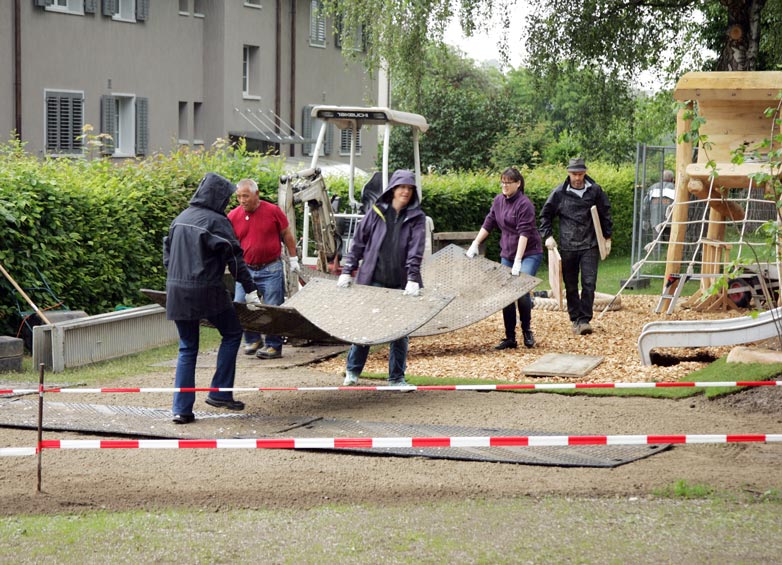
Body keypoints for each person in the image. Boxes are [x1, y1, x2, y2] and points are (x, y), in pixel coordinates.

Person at [163, 172, 263, 424]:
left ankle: (181, 410)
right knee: (231, 333)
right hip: (207, 289)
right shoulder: (216, 221)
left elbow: (166, 254)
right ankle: (220, 392)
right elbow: (235, 258)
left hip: (176, 291)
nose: (229, 202)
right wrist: (250, 289)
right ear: (217, 196)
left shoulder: (180, 219)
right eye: (227, 197)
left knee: (187, 348)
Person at [336, 169, 426, 387]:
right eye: (402, 187)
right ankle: (352, 371)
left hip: (402, 283)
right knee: (367, 326)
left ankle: (396, 378)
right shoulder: (376, 212)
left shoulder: (417, 217)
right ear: (393, 189)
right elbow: (358, 242)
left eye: (409, 188)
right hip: (373, 278)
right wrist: (348, 269)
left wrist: (413, 278)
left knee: (400, 332)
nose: (405, 191)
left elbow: (416, 249)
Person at [466, 167, 543, 349]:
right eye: (502, 181)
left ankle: (527, 330)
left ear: (518, 183)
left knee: (520, 290)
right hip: (507, 253)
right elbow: (489, 223)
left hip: (529, 253)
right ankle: (510, 337)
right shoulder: (498, 201)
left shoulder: (525, 205)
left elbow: (524, 234)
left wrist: (518, 261)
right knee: (506, 294)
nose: (504, 185)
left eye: (508, 182)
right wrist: (475, 244)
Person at [227, 178, 300, 360]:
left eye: (246, 196)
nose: (242, 200)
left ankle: (273, 346)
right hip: (246, 270)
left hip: (271, 268)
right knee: (241, 305)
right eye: (239, 197)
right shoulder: (233, 216)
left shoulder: (273, 211)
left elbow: (287, 235)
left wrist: (293, 259)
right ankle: (253, 339)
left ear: (256, 194)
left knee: (272, 308)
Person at [539, 157, 612, 336]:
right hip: (568, 245)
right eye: (574, 174)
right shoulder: (559, 193)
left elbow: (605, 213)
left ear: (585, 172)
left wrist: (607, 237)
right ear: (568, 173)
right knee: (570, 285)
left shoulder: (595, 190)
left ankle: (585, 319)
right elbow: (545, 216)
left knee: (589, 283)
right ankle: (575, 319)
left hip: (590, 244)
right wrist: (547, 236)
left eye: (580, 174)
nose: (577, 178)